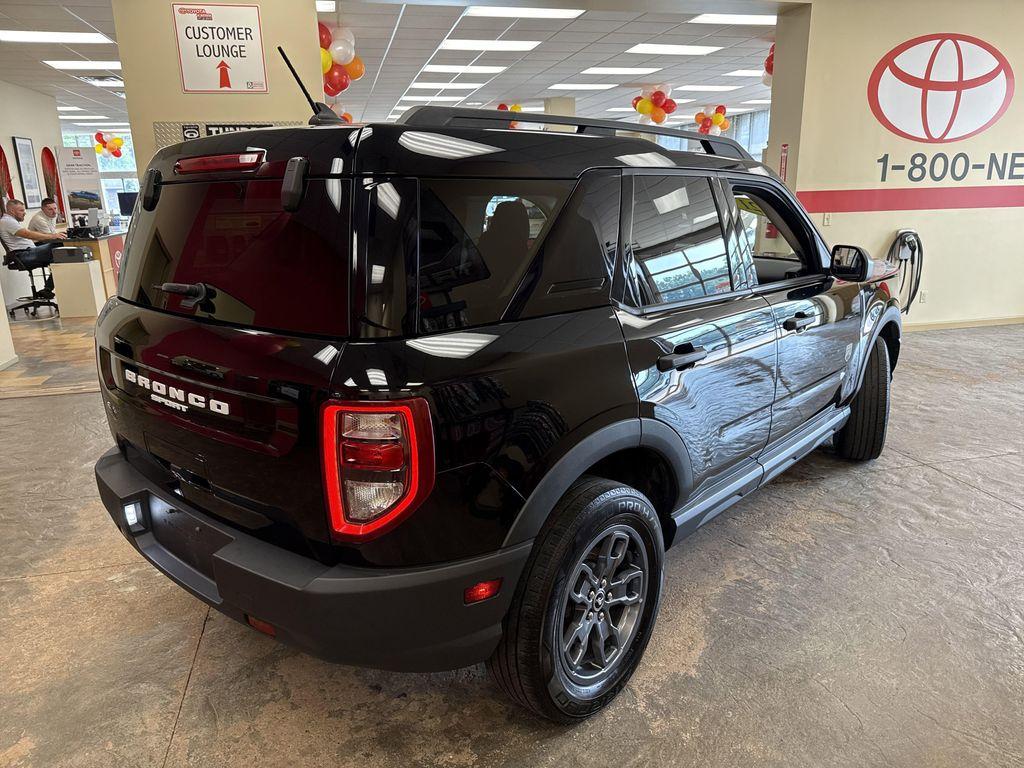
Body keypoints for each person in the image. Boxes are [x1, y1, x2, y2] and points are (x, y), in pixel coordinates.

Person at [0, 199, 65, 268]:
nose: (24, 213)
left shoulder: (9, 221)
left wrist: (55, 236)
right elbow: (28, 234)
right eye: (21, 210)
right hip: (24, 255)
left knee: (62, 257)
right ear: (12, 211)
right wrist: (53, 236)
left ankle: (54, 278)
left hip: (29, 252)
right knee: (59, 246)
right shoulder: (7, 221)